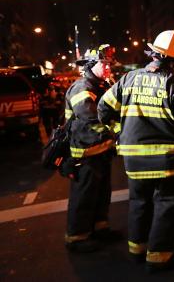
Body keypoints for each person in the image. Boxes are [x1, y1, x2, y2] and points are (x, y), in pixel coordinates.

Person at [98, 30, 174, 273]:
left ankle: (137, 250)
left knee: (139, 202)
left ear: (153, 53)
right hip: (166, 158)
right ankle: (158, 258)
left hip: (133, 158)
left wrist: (120, 129)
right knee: (166, 203)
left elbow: (103, 108)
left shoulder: (128, 79)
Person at [62, 44, 120, 253]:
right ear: (92, 65)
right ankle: (76, 237)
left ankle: (99, 228)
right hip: (85, 152)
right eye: (105, 64)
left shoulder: (100, 86)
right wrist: (120, 129)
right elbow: (91, 118)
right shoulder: (82, 88)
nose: (108, 69)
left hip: (100, 150)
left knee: (101, 193)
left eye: (109, 65)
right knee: (84, 195)